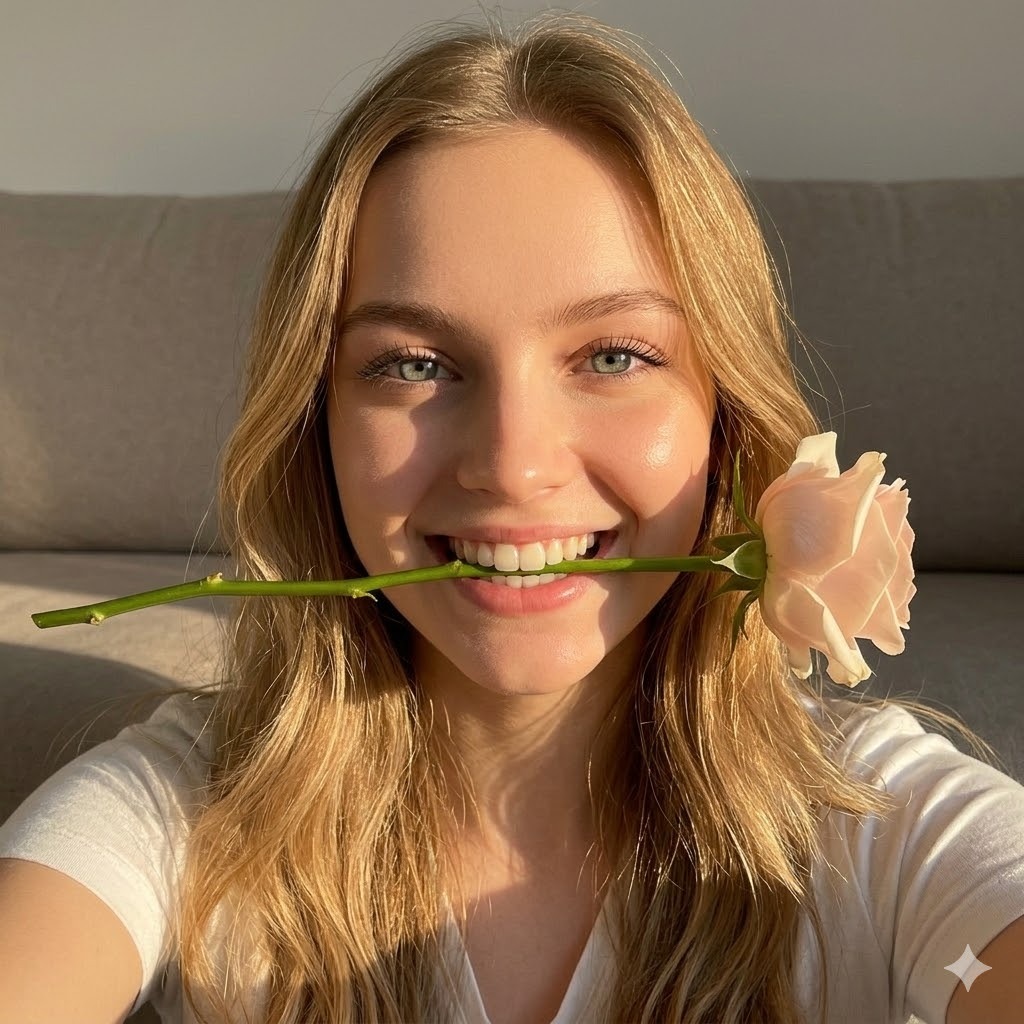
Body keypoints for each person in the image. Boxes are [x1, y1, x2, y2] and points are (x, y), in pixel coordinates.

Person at [2, 9, 1023, 1024]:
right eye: (414, 364)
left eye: (613, 356)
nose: (512, 465)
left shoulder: (882, 823)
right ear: (316, 423)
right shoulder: (183, 810)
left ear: (726, 416)